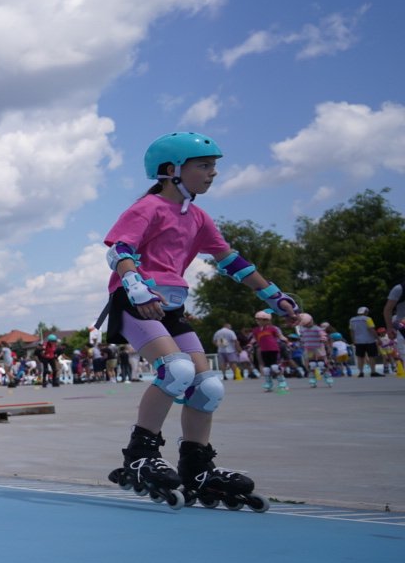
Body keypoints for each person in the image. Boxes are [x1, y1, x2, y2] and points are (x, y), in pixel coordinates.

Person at [102, 132, 297, 511]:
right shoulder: (148, 208)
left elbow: (232, 261)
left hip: (171, 308)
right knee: (175, 370)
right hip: (135, 302)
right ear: (171, 170)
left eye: (214, 166)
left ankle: (196, 467)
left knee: (208, 387)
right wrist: (137, 286)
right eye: (204, 165)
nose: (213, 173)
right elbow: (119, 250)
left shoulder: (198, 217)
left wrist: (274, 296)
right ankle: (140, 456)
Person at [250, 310, 288, 393]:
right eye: (257, 319)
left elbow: (279, 336)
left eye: (260, 320)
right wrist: (250, 344)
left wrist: (286, 340)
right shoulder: (256, 330)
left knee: (274, 367)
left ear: (267, 320)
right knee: (266, 369)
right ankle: (268, 383)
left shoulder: (272, 329)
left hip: (273, 349)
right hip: (264, 350)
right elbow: (254, 339)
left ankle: (282, 382)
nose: (258, 321)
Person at [296, 314, 333, 387]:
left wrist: (323, 339)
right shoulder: (302, 329)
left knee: (321, 364)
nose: (306, 325)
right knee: (312, 364)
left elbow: (323, 335)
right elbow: (302, 338)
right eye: (304, 324)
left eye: (307, 323)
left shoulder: (317, 328)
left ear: (311, 321)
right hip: (309, 349)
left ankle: (327, 376)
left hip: (318, 348)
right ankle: (312, 378)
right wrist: (301, 343)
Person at [348, 307, 381, 377]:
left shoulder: (352, 320)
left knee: (360, 357)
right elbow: (372, 329)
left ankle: (361, 372)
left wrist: (353, 340)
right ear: (365, 312)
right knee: (371, 356)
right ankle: (373, 372)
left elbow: (352, 331)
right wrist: (378, 339)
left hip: (358, 341)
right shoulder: (368, 319)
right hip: (369, 340)